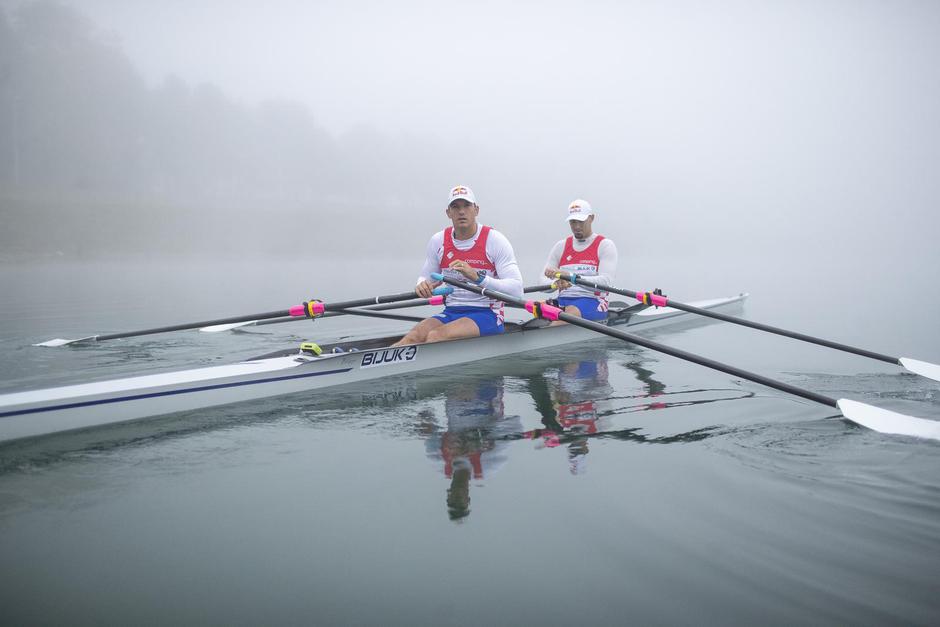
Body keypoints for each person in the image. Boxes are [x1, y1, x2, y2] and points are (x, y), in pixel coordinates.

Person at [393, 185, 524, 346]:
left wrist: (477, 278)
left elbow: (517, 290)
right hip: (451, 312)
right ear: (448, 212)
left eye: (467, 206)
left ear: (476, 210)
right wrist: (422, 285)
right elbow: (425, 276)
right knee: (413, 337)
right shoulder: (438, 241)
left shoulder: (495, 240)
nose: (461, 212)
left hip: (487, 314)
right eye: (455, 207)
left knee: (435, 336)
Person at [543, 199, 618, 321]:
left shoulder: (605, 245)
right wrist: (555, 283)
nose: (577, 227)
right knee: (538, 307)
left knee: (569, 313)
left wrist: (572, 278)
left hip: (593, 301)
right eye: (573, 222)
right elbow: (541, 281)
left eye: (581, 221)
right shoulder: (560, 246)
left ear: (591, 218)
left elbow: (606, 283)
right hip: (562, 302)